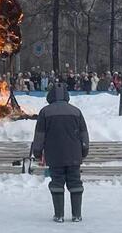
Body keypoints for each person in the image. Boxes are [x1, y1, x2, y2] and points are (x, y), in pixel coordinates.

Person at [32, 82, 89, 223]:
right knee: (75, 182)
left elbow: (39, 135)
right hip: (74, 155)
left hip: (54, 155)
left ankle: (59, 215)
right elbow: (84, 134)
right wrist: (84, 151)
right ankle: (77, 215)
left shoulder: (45, 112)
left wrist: (37, 152)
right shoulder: (76, 111)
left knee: (57, 182)